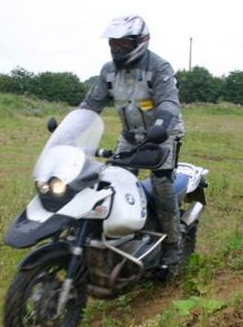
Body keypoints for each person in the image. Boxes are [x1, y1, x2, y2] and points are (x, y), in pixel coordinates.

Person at [79, 14, 185, 274]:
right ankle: (120, 239)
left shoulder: (159, 67)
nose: (117, 49)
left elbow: (169, 102)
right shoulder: (108, 71)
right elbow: (91, 104)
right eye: (113, 44)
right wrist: (72, 126)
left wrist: (161, 125)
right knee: (112, 183)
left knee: (161, 184)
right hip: (129, 136)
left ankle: (173, 246)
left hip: (163, 134)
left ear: (140, 41)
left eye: (123, 44)